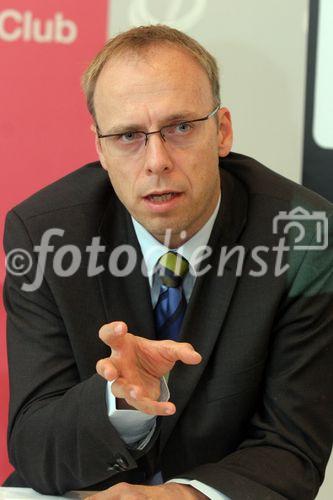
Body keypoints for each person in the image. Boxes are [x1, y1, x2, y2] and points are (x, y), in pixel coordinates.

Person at [3, 24, 333, 500]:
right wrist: (121, 401)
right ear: (99, 148)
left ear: (221, 132)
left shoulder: (304, 237)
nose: (156, 160)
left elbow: (292, 445)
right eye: (128, 136)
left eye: (180, 128)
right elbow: (34, 439)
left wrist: (180, 497)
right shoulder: (44, 235)